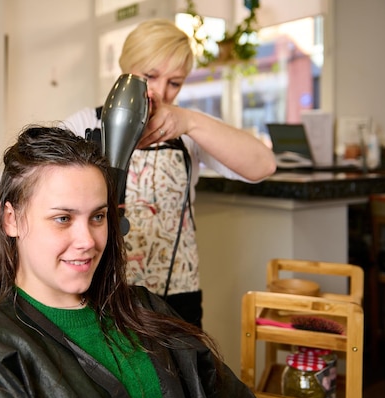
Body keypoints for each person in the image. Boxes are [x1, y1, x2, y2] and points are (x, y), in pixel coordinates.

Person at [0, 125, 268, 398]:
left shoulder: (144, 309)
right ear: (11, 219)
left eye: (97, 217)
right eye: (63, 218)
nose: (87, 241)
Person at [62, 18, 276, 327]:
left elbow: (263, 165)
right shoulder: (83, 125)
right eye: (150, 76)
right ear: (125, 67)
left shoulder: (190, 129)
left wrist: (190, 122)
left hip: (177, 294)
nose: (161, 91)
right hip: (103, 291)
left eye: (175, 82)